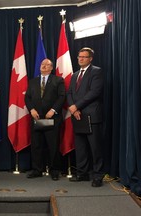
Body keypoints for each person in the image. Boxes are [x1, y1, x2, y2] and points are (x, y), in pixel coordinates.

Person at [67, 47, 104, 187]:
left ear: (90, 58)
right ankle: (82, 174)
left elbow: (94, 92)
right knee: (81, 147)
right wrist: (73, 108)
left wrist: (77, 106)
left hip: (91, 115)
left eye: (84, 57)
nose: (80, 59)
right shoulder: (75, 74)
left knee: (95, 148)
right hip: (77, 116)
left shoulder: (96, 71)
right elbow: (69, 93)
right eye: (79, 56)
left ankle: (97, 176)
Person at [25, 58, 65, 180]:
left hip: (52, 118)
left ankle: (54, 170)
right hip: (36, 118)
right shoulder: (33, 81)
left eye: (47, 65)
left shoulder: (58, 80)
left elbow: (62, 97)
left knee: (52, 145)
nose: (44, 66)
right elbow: (27, 98)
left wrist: (53, 110)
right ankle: (37, 170)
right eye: (42, 64)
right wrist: (31, 109)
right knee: (36, 145)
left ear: (52, 68)